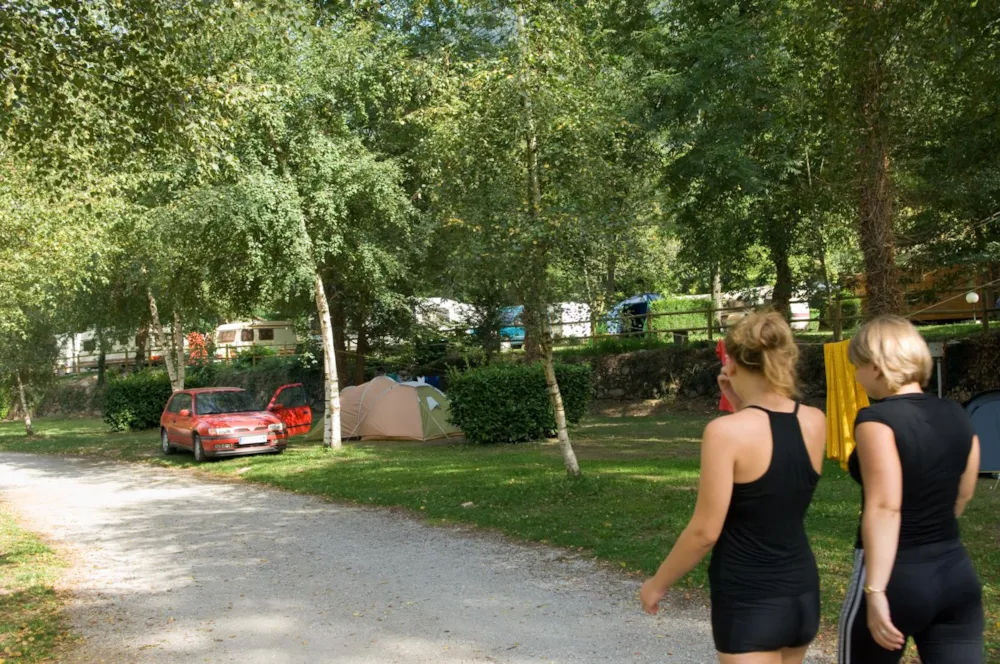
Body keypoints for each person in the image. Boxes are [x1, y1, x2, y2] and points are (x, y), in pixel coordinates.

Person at [640, 311, 826, 664]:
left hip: (749, 598)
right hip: (801, 594)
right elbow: (775, 469)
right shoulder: (815, 421)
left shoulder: (724, 433)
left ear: (732, 363)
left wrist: (657, 584)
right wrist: (740, 403)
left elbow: (704, 532)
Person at [838, 316, 983, 663]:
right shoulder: (957, 412)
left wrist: (876, 590)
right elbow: (964, 491)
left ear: (876, 366)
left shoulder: (876, 420)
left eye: (858, 367)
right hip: (955, 574)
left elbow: (886, 506)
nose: (857, 376)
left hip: (895, 575)